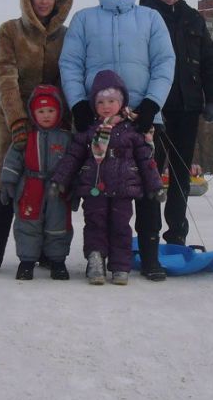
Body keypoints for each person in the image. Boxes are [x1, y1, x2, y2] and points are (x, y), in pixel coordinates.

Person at [58, 0, 175, 281]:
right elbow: (70, 63)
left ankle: (149, 256)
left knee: (147, 188)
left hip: (141, 119)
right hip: (98, 121)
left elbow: (165, 62)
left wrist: (152, 104)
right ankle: (97, 255)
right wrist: (79, 104)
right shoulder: (84, 19)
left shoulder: (150, 18)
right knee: (97, 189)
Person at [0, 0, 74, 274]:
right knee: (4, 184)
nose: (43, 1)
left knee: (50, 190)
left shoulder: (67, 36)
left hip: (54, 121)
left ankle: (46, 253)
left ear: (58, 1)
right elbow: (5, 75)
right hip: (16, 118)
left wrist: (64, 120)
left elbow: (68, 77)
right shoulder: (10, 30)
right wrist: (18, 120)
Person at [50, 70, 164, 285]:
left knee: (121, 226)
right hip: (95, 187)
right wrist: (60, 179)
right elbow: (72, 157)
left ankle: (121, 266)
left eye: (111, 101)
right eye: (101, 102)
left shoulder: (132, 131)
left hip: (123, 188)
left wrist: (155, 186)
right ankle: (95, 260)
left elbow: (146, 161)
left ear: (121, 103)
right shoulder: (89, 131)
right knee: (95, 225)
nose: (106, 106)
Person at [139, 0, 213, 245]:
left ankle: (176, 233)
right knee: (149, 172)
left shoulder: (192, 18)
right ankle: (147, 233)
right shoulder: (144, 15)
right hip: (155, 107)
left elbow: (210, 61)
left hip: (187, 107)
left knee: (180, 173)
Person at [0, 85, 74, 281]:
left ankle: (58, 262)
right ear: (33, 113)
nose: (46, 115)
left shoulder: (66, 138)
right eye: (41, 111)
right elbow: (13, 159)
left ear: (59, 112)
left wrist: (74, 188)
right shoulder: (26, 137)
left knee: (58, 226)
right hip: (31, 186)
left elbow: (73, 163)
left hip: (58, 190)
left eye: (51, 111)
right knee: (27, 224)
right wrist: (8, 181)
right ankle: (26, 262)